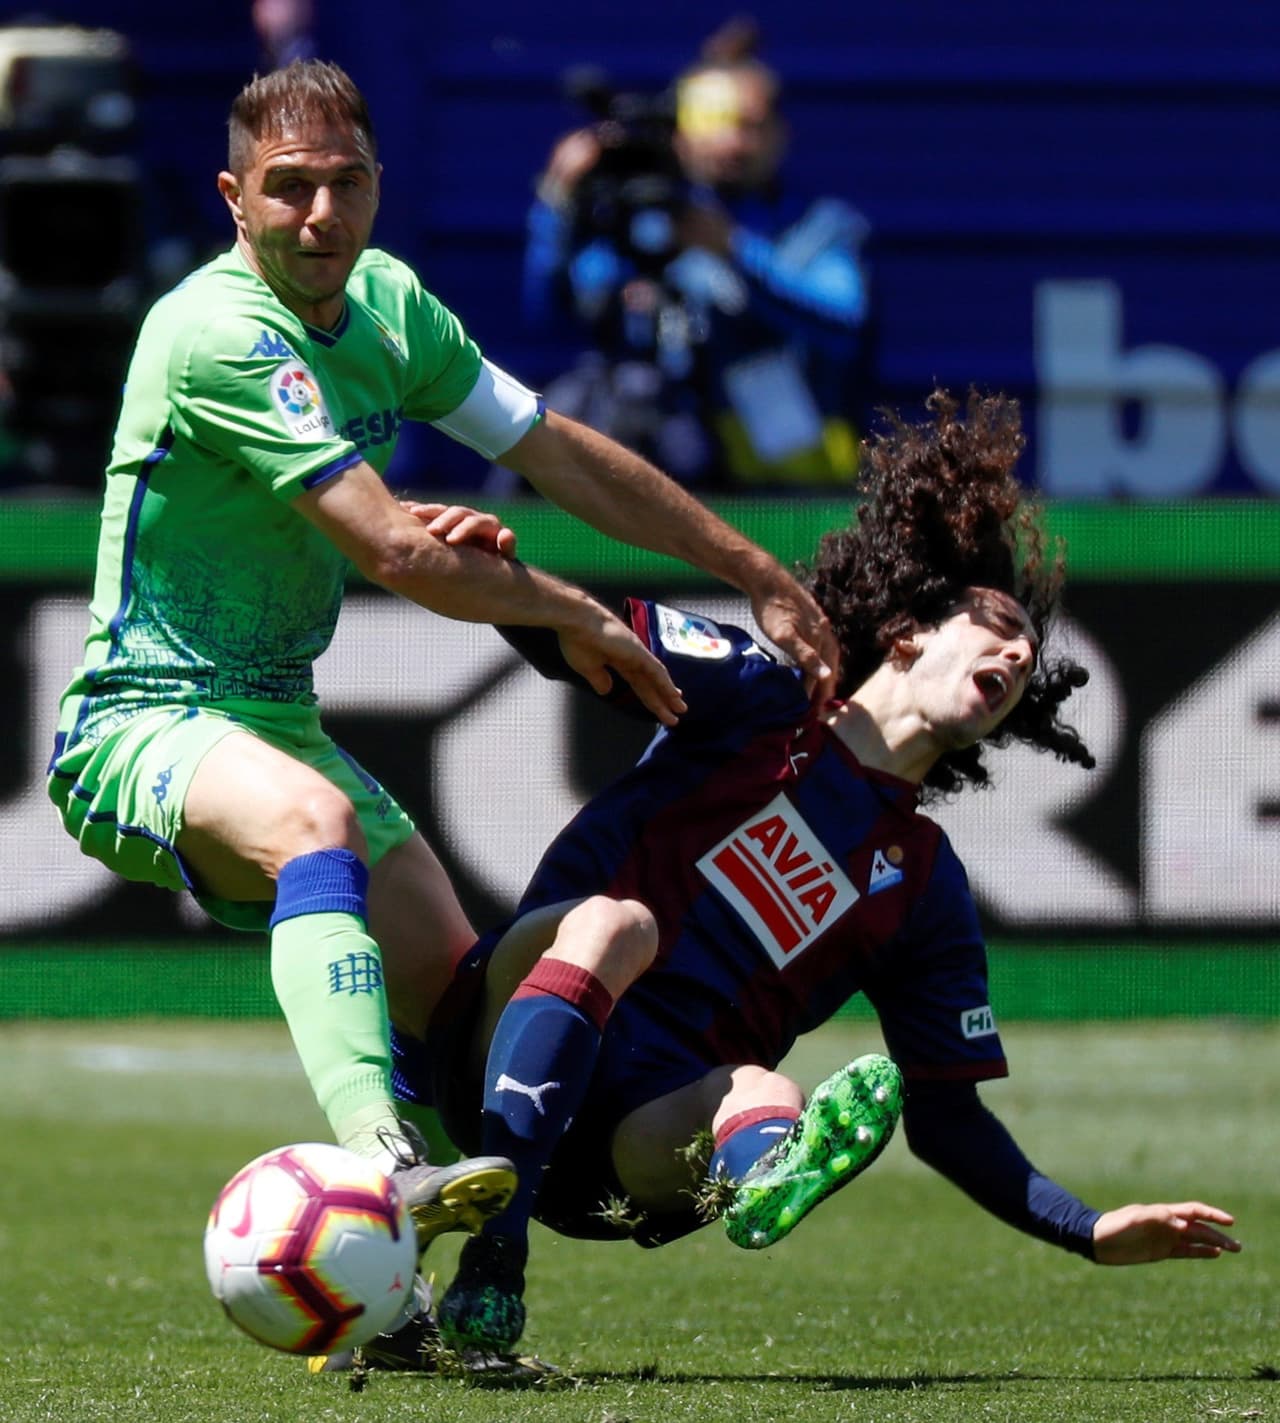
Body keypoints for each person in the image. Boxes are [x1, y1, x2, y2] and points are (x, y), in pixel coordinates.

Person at [44, 58, 840, 1313]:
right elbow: (394, 552)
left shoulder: (389, 308)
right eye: (288, 189)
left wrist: (748, 567)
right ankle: (381, 1160)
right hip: (140, 718)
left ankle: (474, 1269)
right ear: (233, 201)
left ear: (376, 185)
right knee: (315, 827)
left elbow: (554, 452)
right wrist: (570, 611)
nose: (319, 215)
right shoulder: (217, 330)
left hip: (276, 715)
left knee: (473, 1013)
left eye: (343, 184)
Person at [344, 389, 1239, 1381]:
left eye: (1026, 665)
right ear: (905, 631)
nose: (1020, 653)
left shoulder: (923, 887)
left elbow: (945, 1117)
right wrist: (483, 559)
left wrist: (1088, 1225)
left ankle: (763, 1170)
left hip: (631, 1149)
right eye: (995, 628)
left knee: (764, 1090)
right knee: (612, 923)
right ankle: (493, 1249)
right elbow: (570, 631)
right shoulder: (754, 697)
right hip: (506, 1039)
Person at [516, 17, 872, 495]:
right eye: (715, 125)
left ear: (780, 133)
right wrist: (559, 206)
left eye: (749, 126)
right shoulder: (649, 227)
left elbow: (845, 322)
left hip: (787, 483)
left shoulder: (819, 228)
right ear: (680, 134)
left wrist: (734, 251)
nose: (731, 144)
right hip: (670, 457)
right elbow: (554, 310)